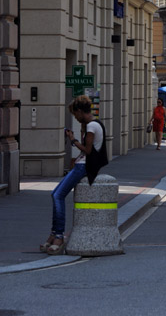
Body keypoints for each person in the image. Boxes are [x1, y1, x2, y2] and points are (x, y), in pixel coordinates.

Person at [40, 95, 108, 255]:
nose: (76, 118)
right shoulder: (93, 124)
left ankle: (58, 236)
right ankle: (53, 234)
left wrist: (73, 140)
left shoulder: (92, 126)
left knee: (58, 196)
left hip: (84, 167)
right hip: (81, 164)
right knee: (55, 194)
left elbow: (88, 151)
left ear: (79, 111)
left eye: (75, 115)